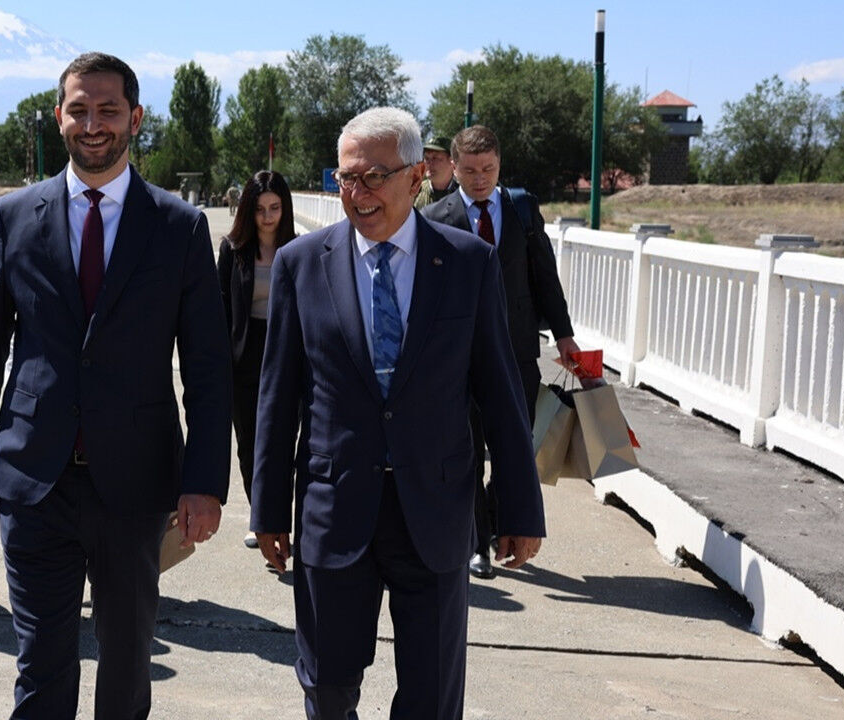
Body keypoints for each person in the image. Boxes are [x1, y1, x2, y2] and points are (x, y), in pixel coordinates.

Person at [0, 52, 231, 719]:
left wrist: (204, 482)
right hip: (33, 479)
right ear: (59, 117)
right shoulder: (15, 216)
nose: (93, 123)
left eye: (108, 109)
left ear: (135, 118)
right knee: (40, 666)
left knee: (127, 662)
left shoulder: (179, 227)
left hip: (135, 485)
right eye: (79, 109)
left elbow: (207, 367)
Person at [252, 107, 545, 720]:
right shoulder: (301, 265)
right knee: (328, 689)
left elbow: (500, 394)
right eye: (346, 178)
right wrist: (269, 508)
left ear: (415, 178)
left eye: (374, 177)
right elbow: (279, 397)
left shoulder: (468, 263)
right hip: (335, 511)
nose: (357, 193)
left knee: (431, 699)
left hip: (435, 512)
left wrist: (519, 507)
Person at [422, 124, 579, 579]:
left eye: (488, 169)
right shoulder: (434, 218)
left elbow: (545, 277)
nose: (480, 179)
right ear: (454, 168)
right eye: (470, 170)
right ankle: (477, 544)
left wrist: (564, 335)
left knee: (516, 444)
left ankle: (491, 520)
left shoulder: (521, 209)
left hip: (516, 351)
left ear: (499, 165)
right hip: (458, 358)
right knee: (468, 450)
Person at [216, 170, 296, 548]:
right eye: (260, 209)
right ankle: (259, 518)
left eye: (275, 208)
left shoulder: (298, 250)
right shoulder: (232, 251)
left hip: (286, 355)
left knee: (282, 443)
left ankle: (281, 520)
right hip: (244, 359)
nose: (267, 217)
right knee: (249, 444)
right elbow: (219, 308)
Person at [413, 134, 458, 209]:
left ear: (451, 161)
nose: (429, 163)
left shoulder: (464, 194)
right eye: (426, 158)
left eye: (435, 158)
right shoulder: (415, 191)